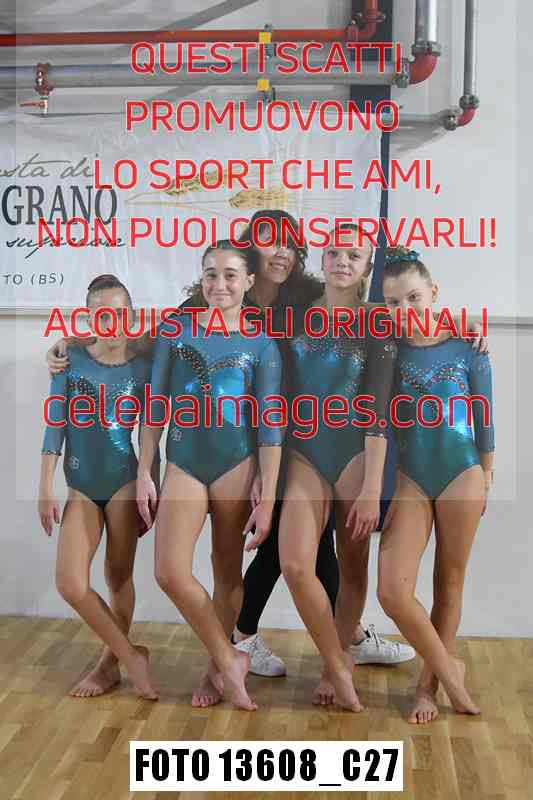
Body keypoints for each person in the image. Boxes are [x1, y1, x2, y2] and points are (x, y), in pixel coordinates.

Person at [136, 240, 283, 710]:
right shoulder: (176, 331)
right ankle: (229, 656)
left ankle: (215, 671)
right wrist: (145, 470)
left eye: (230, 275)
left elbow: (270, 425)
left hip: (236, 463)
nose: (219, 284)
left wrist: (268, 494)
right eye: (210, 274)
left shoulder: (261, 343)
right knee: (169, 571)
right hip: (185, 460)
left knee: (226, 570)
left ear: (249, 282)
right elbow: (155, 405)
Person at [278, 223, 401, 711]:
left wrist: (371, 487)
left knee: (352, 566)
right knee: (294, 564)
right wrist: (80, 340)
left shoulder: (378, 320)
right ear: (322, 261)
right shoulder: (294, 315)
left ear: (367, 266)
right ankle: (337, 660)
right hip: (304, 453)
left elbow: (379, 407)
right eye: (333, 252)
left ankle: (336, 666)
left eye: (354, 254)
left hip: (356, 454)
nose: (342, 261)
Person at [378, 247, 495, 724]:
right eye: (392, 302)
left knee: (448, 581)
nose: (404, 310)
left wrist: (487, 474)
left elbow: (484, 418)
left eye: (413, 298)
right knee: (392, 590)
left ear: (433, 293)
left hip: (462, 473)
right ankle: (451, 669)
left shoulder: (468, 346)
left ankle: (427, 685)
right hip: (411, 477)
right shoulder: (386, 349)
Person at [38, 275, 159, 700]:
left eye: (120, 313)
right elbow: (55, 423)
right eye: (102, 314)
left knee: (118, 576)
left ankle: (109, 665)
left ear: (131, 314)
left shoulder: (143, 364)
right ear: (89, 318)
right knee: (71, 583)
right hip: (82, 487)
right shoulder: (69, 359)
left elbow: (149, 429)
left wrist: (147, 478)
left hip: (124, 481)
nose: (112, 322)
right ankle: (131, 656)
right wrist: (45, 486)